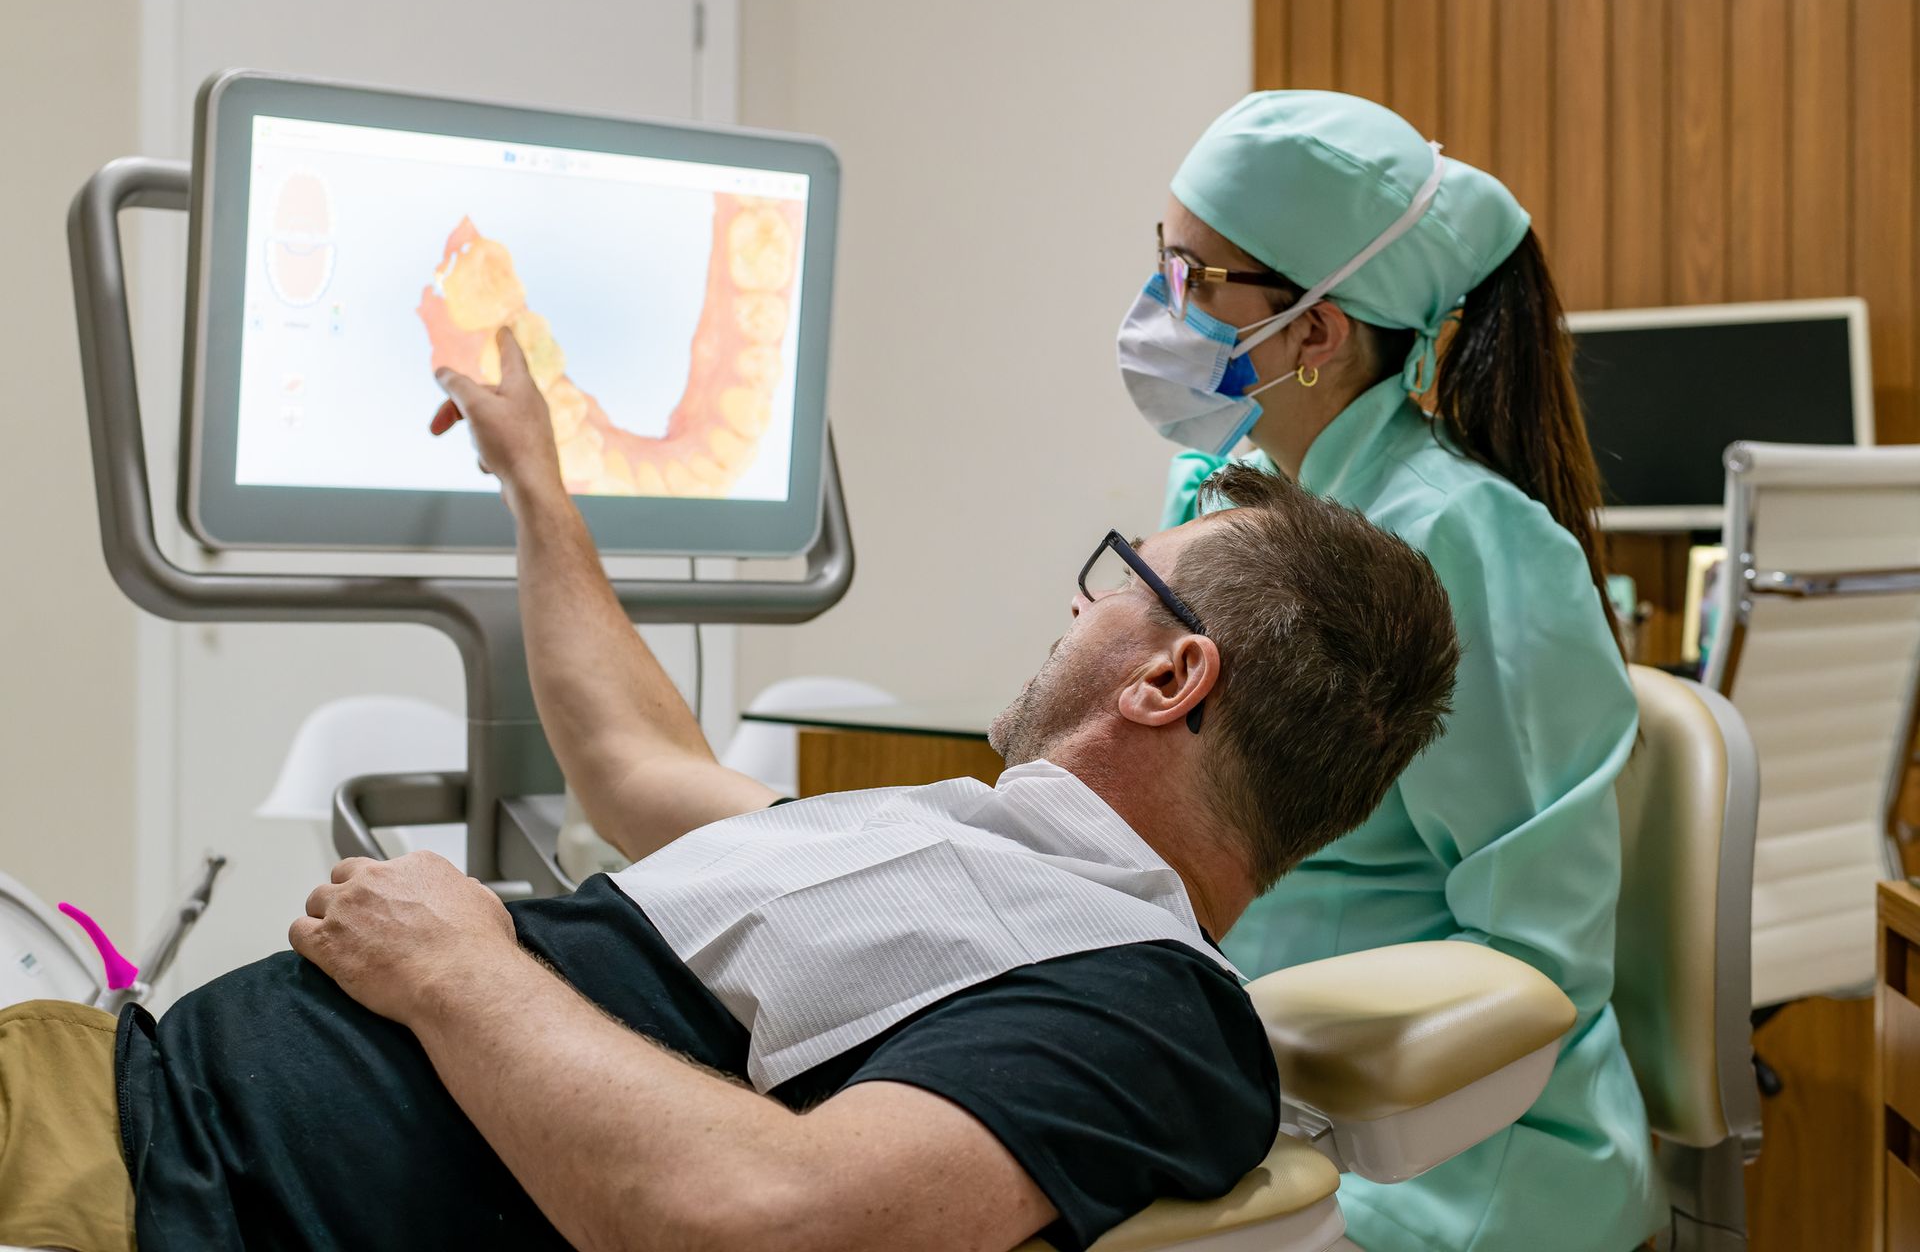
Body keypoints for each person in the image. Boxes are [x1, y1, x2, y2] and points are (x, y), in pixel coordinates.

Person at [0, 329, 1459, 1252]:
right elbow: (634, 762)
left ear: (1168, 680)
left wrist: (455, 968)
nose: (1067, 607)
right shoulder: (975, 848)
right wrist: (537, 476)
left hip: (158, 1198)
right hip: (105, 1076)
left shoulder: (1143, 1006)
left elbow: (772, 1221)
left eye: (1112, 587)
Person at [1119, 89, 1659, 1251]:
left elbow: (1533, 954)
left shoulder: (1469, 540)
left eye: (1199, 283)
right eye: (1165, 264)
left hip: (1438, 1145)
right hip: (1251, 1080)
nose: (1165, 308)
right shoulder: (1218, 497)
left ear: (1316, 331)